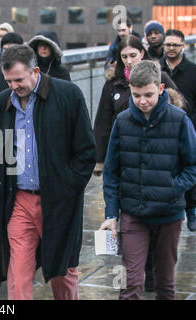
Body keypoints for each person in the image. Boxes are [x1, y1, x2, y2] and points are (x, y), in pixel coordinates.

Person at [0, 45, 96, 300]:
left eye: (19, 79)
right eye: (8, 80)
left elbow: (86, 151)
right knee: (18, 273)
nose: (14, 86)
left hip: (58, 200)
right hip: (17, 199)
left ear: (35, 71)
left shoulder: (68, 95)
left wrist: (69, 186)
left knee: (62, 271)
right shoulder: (0, 104)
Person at [99, 60, 196, 300]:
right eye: (136, 95)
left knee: (165, 283)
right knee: (130, 283)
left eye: (149, 95)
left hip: (169, 214)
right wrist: (111, 215)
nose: (142, 101)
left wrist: (173, 187)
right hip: (133, 213)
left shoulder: (180, 120)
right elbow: (111, 171)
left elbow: (193, 166)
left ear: (161, 89)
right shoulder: (122, 121)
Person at [94, 35, 184, 177]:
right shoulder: (113, 83)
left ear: (142, 53)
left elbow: (180, 108)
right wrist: (100, 158)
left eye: (133, 55)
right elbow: (103, 122)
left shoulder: (159, 76)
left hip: (156, 149)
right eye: (124, 57)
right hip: (123, 150)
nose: (129, 61)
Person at [160, 29, 196, 231]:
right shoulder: (157, 69)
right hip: (164, 131)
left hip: (189, 128)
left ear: (183, 46)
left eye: (175, 45)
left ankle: (191, 209)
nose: (171, 48)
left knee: (189, 169)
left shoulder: (193, 71)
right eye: (168, 44)